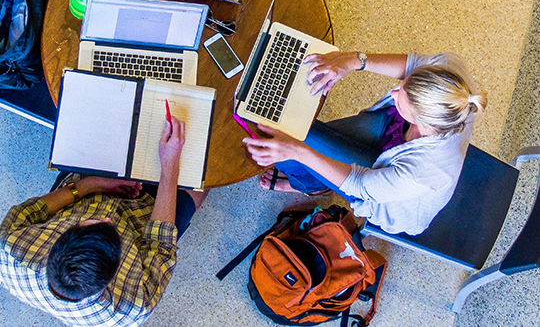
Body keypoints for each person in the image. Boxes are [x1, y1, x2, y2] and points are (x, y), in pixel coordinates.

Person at [244, 52, 488, 235]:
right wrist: (352, 61)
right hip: (393, 138)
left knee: (296, 141)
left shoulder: (424, 172)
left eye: (401, 97)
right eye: (403, 85)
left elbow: (360, 185)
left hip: (382, 189)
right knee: (298, 141)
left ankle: (310, 185)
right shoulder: (450, 81)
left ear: (420, 119)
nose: (393, 93)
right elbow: (413, 64)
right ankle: (312, 180)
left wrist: (298, 150)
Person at [0, 117, 206, 326]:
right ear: (109, 277)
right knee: (206, 168)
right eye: (112, 230)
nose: (107, 218)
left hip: (83, 189)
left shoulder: (8, 247)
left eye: (92, 222)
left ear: (59, 238)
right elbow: (160, 244)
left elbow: (34, 210)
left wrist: (93, 183)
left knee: (105, 122)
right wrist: (169, 167)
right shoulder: (134, 307)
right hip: (149, 215)